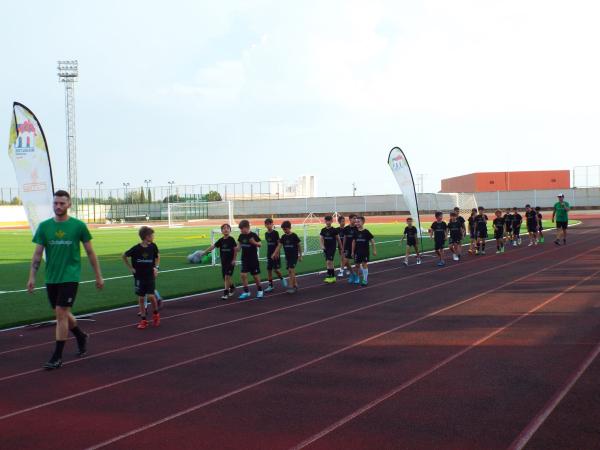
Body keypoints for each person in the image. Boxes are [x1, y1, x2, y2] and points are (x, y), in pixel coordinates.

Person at [27, 190, 104, 370]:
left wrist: (98, 275)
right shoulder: (44, 227)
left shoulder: (78, 226)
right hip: (51, 277)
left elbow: (90, 252)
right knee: (61, 312)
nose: (58, 206)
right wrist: (31, 276)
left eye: (62, 203)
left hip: (70, 276)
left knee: (61, 313)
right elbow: (37, 254)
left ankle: (57, 356)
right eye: (55, 203)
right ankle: (80, 335)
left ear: (69, 204)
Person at [122, 226, 161, 329]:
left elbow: (157, 257)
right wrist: (131, 268)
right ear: (146, 237)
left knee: (151, 296)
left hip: (149, 275)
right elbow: (124, 256)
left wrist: (156, 268)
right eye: (152, 235)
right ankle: (143, 320)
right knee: (141, 298)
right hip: (139, 277)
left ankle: (156, 313)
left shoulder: (153, 246)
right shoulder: (136, 249)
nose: (153, 237)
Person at [197, 223, 237, 300]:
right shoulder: (221, 240)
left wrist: (234, 259)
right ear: (221, 231)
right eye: (224, 228)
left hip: (230, 262)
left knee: (227, 277)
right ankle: (232, 287)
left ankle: (225, 293)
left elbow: (235, 250)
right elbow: (213, 246)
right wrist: (205, 252)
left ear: (230, 230)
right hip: (224, 262)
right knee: (225, 277)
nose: (226, 229)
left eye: (227, 228)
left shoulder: (231, 239)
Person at [272, 220, 302, 294]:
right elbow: (279, 246)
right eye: (283, 229)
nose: (284, 231)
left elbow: (299, 246)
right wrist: (274, 253)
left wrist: (300, 255)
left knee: (291, 270)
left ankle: (291, 286)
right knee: (290, 270)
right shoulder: (283, 237)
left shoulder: (294, 236)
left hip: (294, 256)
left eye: (285, 229)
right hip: (287, 257)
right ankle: (295, 284)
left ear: (290, 228)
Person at [236, 220, 263, 300]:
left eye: (242, 228)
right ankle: (246, 292)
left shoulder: (253, 235)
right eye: (240, 229)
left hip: (253, 259)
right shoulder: (241, 236)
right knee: (243, 275)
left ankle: (260, 290)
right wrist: (235, 248)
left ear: (247, 227)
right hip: (244, 259)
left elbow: (260, 244)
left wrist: (254, 242)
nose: (241, 230)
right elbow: (238, 248)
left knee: (255, 276)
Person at [351, 216, 376, 285]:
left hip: (365, 252)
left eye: (358, 222)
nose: (357, 223)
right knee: (357, 265)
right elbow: (353, 242)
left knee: (364, 264)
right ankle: (357, 278)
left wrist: (374, 250)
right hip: (357, 252)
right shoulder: (355, 232)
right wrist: (352, 252)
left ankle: (365, 279)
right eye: (356, 222)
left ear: (363, 222)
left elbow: (372, 241)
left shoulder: (366, 232)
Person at [263, 218, 285, 292]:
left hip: (275, 254)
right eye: (267, 224)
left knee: (276, 270)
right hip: (269, 254)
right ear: (265, 225)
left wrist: (277, 253)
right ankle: (270, 285)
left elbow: (279, 243)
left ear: (272, 224)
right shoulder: (266, 234)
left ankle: (282, 278)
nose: (268, 225)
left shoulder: (275, 233)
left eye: (270, 224)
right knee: (269, 269)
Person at [320, 215, 343, 283]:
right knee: (329, 262)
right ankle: (332, 276)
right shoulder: (323, 230)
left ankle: (330, 276)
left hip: (332, 248)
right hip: (326, 248)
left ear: (331, 221)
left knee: (329, 261)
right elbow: (321, 238)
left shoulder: (334, 230)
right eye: (326, 221)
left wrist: (341, 247)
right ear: (325, 221)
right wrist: (322, 246)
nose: (328, 222)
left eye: (329, 221)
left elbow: (338, 239)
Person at [343, 214, 358, 283]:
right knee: (345, 262)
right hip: (348, 247)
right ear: (350, 219)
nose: (355, 220)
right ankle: (352, 274)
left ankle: (356, 277)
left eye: (356, 219)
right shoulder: (346, 228)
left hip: (356, 248)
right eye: (354, 218)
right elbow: (345, 238)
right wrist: (343, 248)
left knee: (357, 263)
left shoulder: (357, 228)